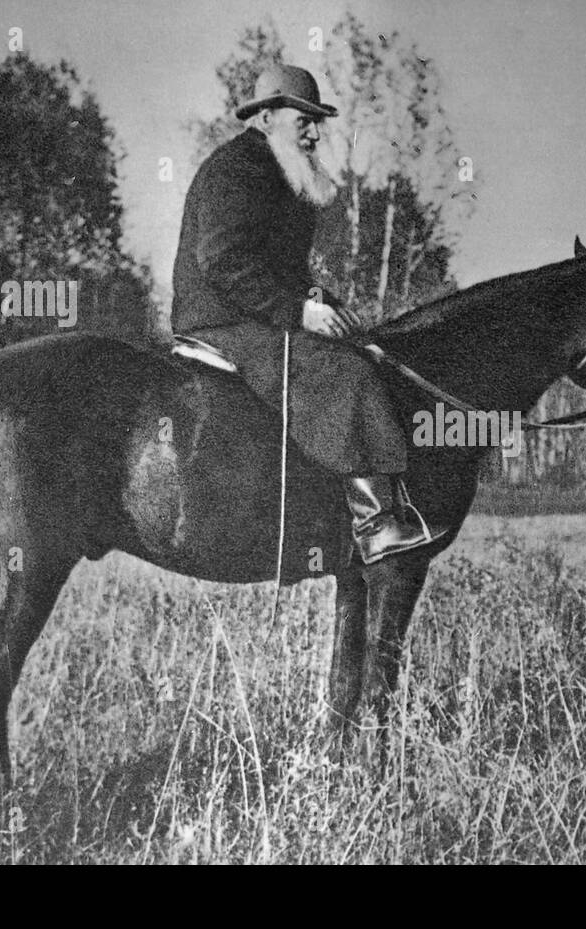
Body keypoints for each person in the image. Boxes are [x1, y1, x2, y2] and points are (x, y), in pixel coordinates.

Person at [170, 64, 442, 564]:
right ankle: (376, 521)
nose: (316, 133)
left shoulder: (274, 171)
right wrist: (299, 313)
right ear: (268, 116)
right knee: (345, 373)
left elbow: (284, 270)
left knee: (358, 351)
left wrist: (331, 309)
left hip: (252, 314)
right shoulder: (237, 169)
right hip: (221, 321)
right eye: (305, 122)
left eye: (318, 122)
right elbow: (224, 261)